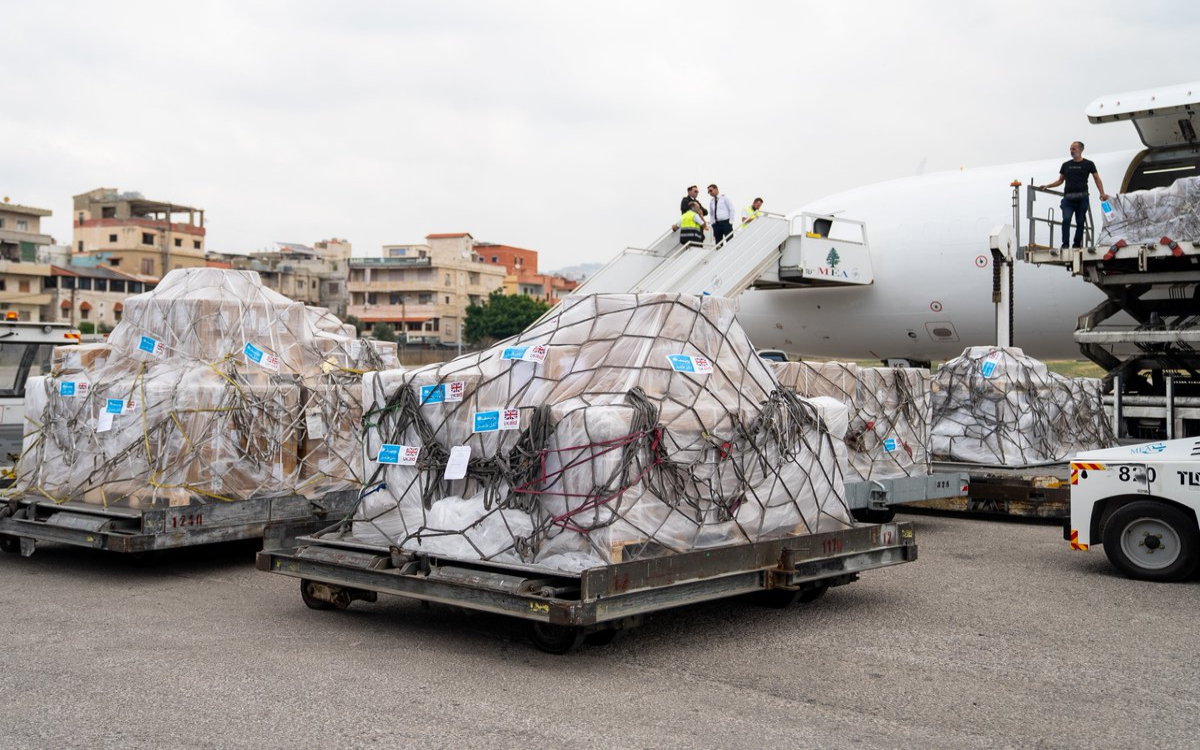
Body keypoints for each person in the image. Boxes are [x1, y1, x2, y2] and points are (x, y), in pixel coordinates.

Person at [1038, 141, 1109, 249]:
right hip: (1068, 199)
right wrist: (1048, 186)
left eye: (1074, 149)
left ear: (1081, 150)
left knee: (1080, 221)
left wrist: (1102, 193)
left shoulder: (1089, 164)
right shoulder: (1066, 165)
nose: (1071, 151)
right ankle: (1065, 244)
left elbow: (1096, 178)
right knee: (1066, 219)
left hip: (1082, 198)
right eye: (1071, 149)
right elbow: (1060, 180)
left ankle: (1076, 243)